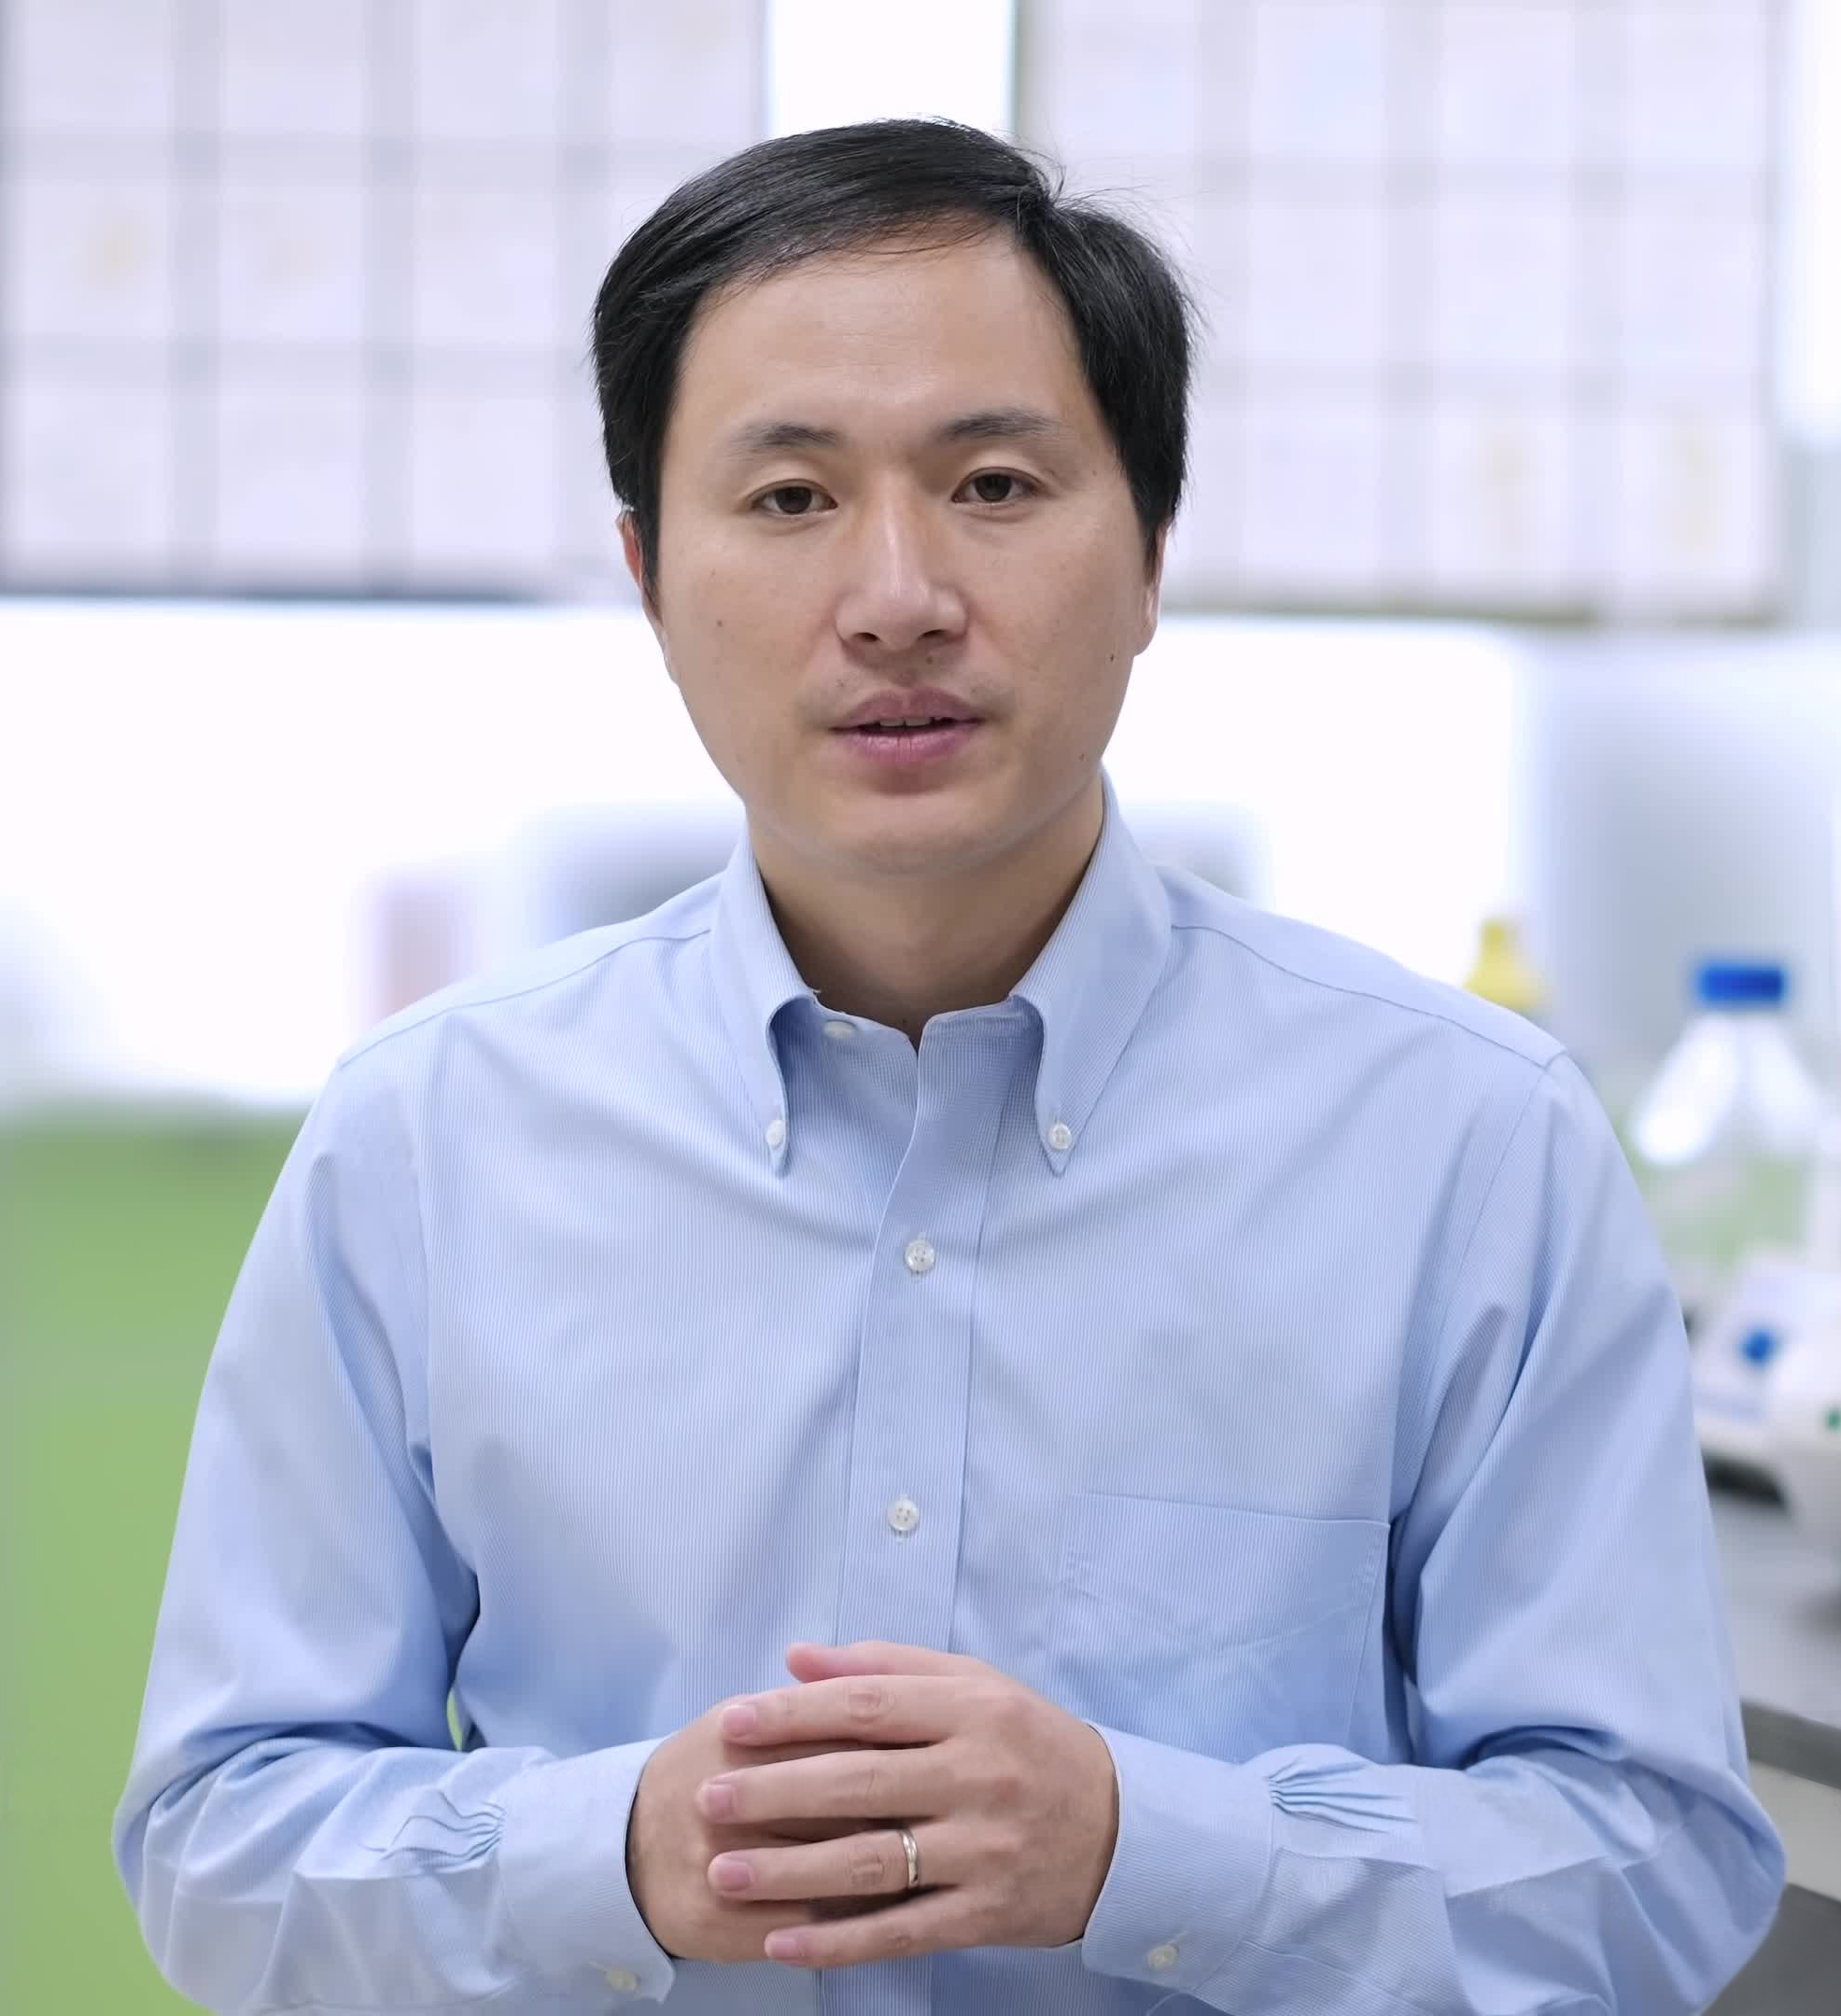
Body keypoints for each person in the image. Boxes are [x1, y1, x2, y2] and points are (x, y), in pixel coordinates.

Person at [114, 118, 1784, 2014]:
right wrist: (612, 1860)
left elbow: (1655, 1872)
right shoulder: (423, 1138)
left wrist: (1141, 1851)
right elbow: (222, 1847)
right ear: (650, 577)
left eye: (992, 484)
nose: (897, 592)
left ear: (1147, 550)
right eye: (789, 498)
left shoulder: (1464, 1142)